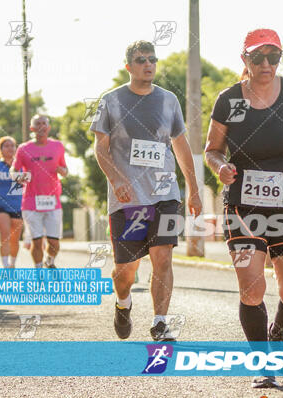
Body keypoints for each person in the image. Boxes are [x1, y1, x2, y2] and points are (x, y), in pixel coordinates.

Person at [204, 28, 283, 388]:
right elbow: (212, 148)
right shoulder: (228, 99)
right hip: (243, 207)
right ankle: (261, 361)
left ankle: (277, 329)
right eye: (258, 57)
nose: (266, 63)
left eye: (273, 57)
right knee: (252, 289)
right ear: (245, 60)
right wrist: (220, 167)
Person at [91, 40, 201, 341]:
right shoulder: (111, 101)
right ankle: (123, 303)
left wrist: (193, 189)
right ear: (129, 66)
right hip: (128, 200)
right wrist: (117, 180)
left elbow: (180, 146)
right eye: (141, 60)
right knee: (125, 272)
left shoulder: (169, 101)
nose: (148, 64)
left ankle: (160, 321)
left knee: (163, 257)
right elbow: (100, 149)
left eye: (152, 59)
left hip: (165, 195)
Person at [12, 114, 68, 269]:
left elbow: (65, 168)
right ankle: (38, 271)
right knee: (36, 242)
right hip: (30, 201)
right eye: (38, 124)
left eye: (44, 123)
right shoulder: (23, 149)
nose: (41, 126)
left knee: (54, 242)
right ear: (32, 128)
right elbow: (14, 170)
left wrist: (63, 171)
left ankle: (49, 261)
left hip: (53, 201)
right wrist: (17, 176)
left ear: (49, 128)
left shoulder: (58, 146)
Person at [0, 136, 24, 268]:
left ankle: (12, 264)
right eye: (6, 146)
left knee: (15, 239)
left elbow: (28, 182)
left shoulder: (21, 166)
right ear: (0, 149)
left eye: (12, 145)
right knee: (5, 233)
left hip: (17, 205)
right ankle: (5, 266)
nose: (10, 148)